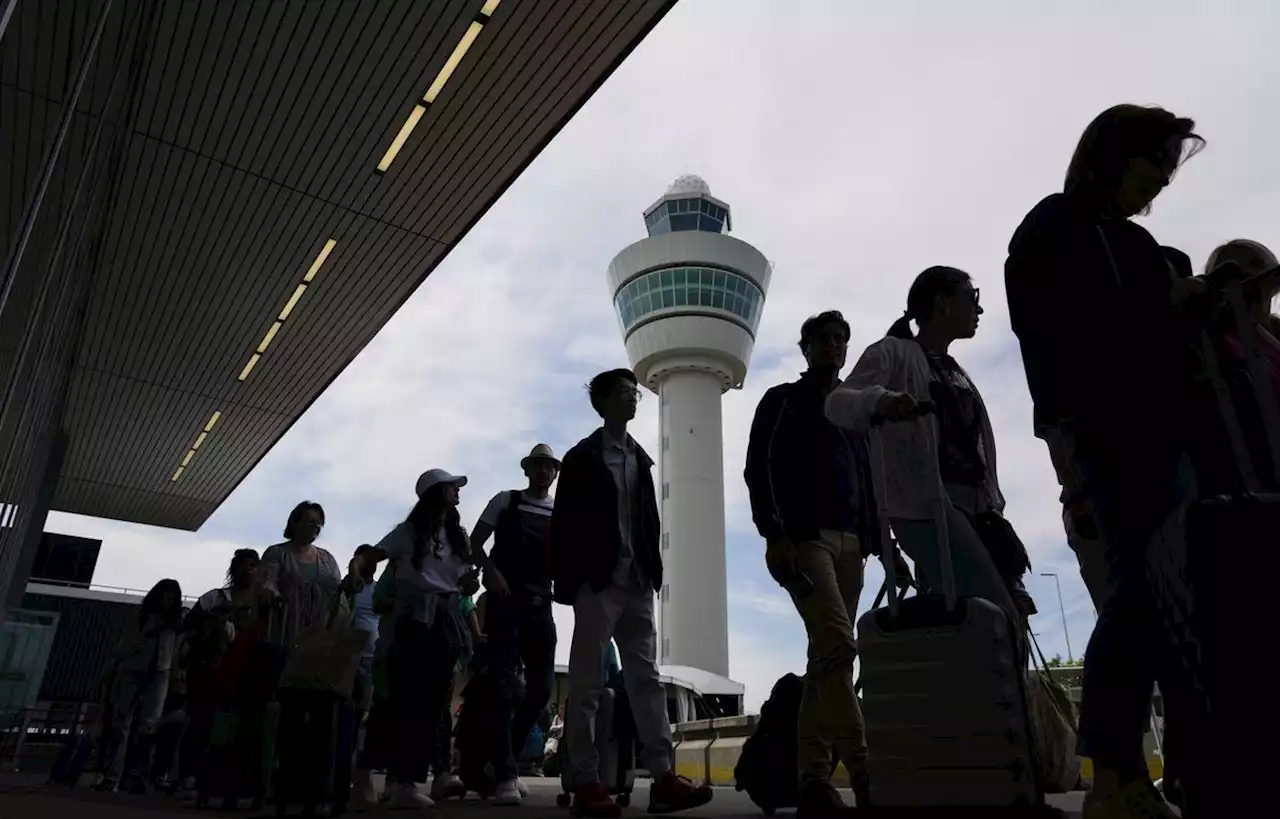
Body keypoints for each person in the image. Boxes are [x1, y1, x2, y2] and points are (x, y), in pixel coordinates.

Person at [1005, 104, 1206, 818]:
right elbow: (1066, 342)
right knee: (1143, 589)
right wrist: (1165, 307)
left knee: (1177, 598)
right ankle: (1114, 770)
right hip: (1111, 431)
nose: (1159, 184)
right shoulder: (1055, 230)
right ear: (1114, 155)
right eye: (1154, 163)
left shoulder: (1129, 241)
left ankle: (1168, 768)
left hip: (1154, 431)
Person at [825, 269, 1028, 629]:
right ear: (941, 302)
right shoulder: (894, 353)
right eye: (972, 297)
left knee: (980, 617)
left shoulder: (956, 371)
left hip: (977, 510)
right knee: (996, 615)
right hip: (926, 505)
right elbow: (838, 402)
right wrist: (882, 402)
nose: (979, 310)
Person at [551, 368, 713, 818]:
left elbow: (648, 522)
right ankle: (586, 780)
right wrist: (567, 582)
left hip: (638, 580)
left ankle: (663, 776)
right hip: (597, 582)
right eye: (624, 392)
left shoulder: (641, 460)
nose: (634, 398)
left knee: (646, 678)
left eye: (634, 392)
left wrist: (653, 569)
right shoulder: (582, 458)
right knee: (587, 683)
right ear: (602, 402)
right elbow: (563, 524)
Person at [744, 309, 879, 816]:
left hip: (852, 544)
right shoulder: (781, 401)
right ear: (804, 348)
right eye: (822, 339)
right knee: (841, 648)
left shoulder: (852, 409)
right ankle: (865, 774)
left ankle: (813, 783)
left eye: (840, 339)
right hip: (805, 543)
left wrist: (876, 538)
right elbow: (758, 469)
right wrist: (774, 533)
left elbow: (866, 476)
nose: (832, 346)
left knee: (824, 659)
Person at [364, 469, 480, 809]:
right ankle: (386, 780)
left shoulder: (458, 536)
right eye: (451, 487)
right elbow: (374, 555)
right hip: (413, 621)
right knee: (403, 704)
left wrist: (468, 586)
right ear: (435, 492)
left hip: (446, 621)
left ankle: (407, 783)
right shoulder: (408, 533)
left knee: (430, 707)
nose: (457, 492)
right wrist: (361, 568)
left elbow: (461, 583)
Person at [469, 443, 562, 806]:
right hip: (506, 605)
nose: (543, 471)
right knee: (502, 686)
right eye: (538, 465)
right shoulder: (505, 501)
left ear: (555, 473)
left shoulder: (560, 511)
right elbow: (474, 544)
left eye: (549, 466)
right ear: (527, 469)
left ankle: (499, 763)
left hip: (542, 607)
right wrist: (490, 573)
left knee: (540, 690)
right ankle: (507, 773)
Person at [96, 578, 184, 793]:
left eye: (170, 598)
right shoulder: (140, 616)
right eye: (163, 596)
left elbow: (180, 647)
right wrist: (147, 630)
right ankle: (113, 777)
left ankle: (138, 776)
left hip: (159, 674)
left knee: (149, 726)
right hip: (133, 670)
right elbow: (125, 645)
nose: (166, 601)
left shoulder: (178, 620)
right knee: (122, 725)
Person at [258, 501, 347, 649]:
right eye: (311, 522)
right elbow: (266, 583)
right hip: (282, 638)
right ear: (295, 523)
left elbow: (338, 593)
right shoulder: (277, 553)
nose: (316, 526)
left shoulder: (327, 559)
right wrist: (274, 595)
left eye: (319, 523)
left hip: (317, 641)